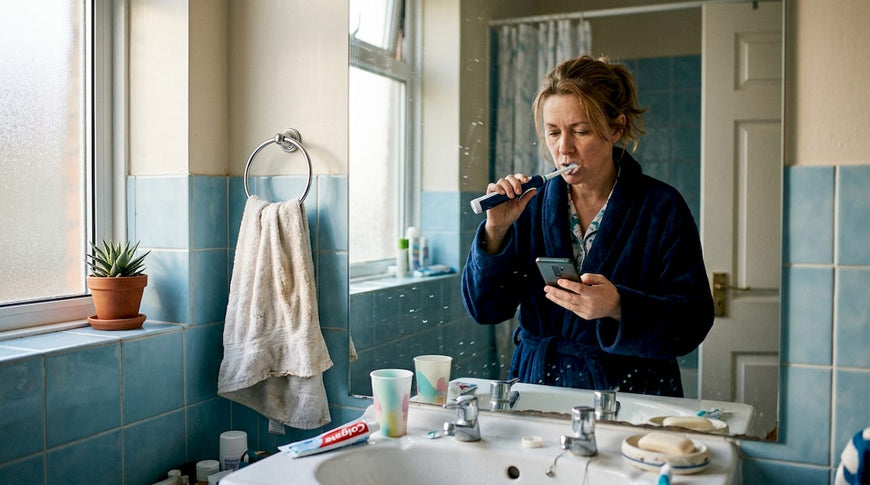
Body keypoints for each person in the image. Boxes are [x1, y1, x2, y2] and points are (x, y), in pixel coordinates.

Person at [461, 56, 714, 397]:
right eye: (553, 132)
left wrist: (618, 307)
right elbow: (485, 310)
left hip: (631, 393)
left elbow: (693, 321)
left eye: (580, 131)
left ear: (616, 129)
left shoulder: (661, 207)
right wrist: (496, 231)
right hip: (542, 389)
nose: (563, 148)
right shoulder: (527, 205)